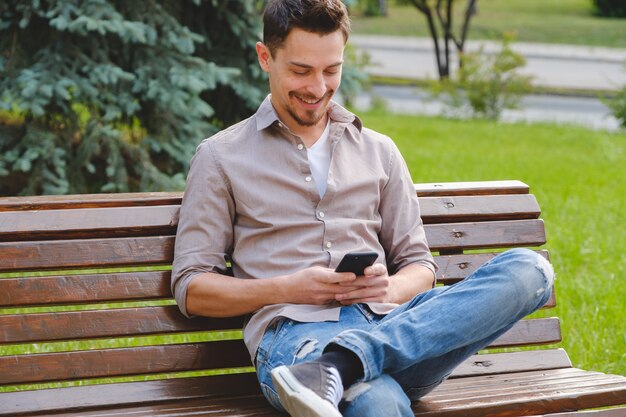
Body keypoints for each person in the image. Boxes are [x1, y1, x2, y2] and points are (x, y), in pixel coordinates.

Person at [171, 1, 555, 416]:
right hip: (297, 339)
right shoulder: (221, 157)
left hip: (394, 328)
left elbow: (419, 266)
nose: (317, 88)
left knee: (530, 271)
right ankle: (331, 369)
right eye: (301, 71)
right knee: (377, 399)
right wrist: (290, 288)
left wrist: (387, 288)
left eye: (331, 70)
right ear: (266, 57)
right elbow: (192, 288)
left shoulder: (380, 151)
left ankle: (341, 364)